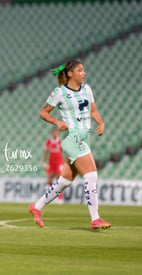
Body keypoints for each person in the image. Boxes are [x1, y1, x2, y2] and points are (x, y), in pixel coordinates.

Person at [29, 60, 111, 230]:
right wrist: (57, 122)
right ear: (70, 73)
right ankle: (95, 218)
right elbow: (43, 112)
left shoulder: (87, 89)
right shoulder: (60, 92)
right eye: (80, 70)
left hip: (84, 138)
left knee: (64, 181)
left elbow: (93, 111)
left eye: (84, 70)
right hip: (71, 139)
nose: (84, 73)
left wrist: (101, 123)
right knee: (91, 175)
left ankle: (36, 207)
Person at [43, 128, 64, 203]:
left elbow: (64, 153)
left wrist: (64, 163)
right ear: (52, 133)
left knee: (59, 181)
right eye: (54, 132)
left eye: (56, 132)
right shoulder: (48, 142)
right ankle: (52, 195)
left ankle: (60, 197)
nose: (55, 134)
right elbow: (46, 152)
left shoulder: (61, 142)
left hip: (59, 163)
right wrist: (45, 163)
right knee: (49, 180)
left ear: (58, 133)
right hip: (51, 163)